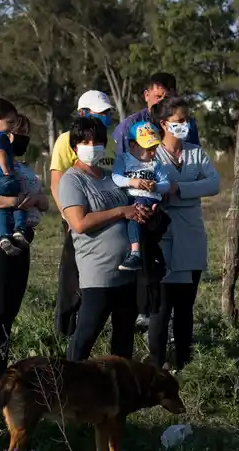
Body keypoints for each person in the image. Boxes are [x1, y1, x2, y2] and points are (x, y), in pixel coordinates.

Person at [58, 116, 150, 360]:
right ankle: (68, 385)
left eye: (97, 141)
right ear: (75, 146)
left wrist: (141, 210)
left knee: (123, 339)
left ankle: (118, 391)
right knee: (86, 334)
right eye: (85, 141)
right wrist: (121, 211)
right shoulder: (72, 180)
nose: (92, 146)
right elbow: (79, 223)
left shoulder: (112, 176)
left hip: (126, 274)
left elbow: (132, 207)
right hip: (98, 274)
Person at [146, 96, 219, 371]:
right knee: (161, 308)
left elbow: (213, 183)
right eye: (178, 121)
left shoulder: (195, 152)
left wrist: (179, 189)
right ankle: (155, 366)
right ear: (164, 124)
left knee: (185, 307)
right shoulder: (153, 154)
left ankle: (183, 364)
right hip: (162, 238)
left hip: (191, 235)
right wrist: (186, 187)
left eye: (187, 120)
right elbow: (153, 188)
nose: (184, 125)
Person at [50, 90, 117, 344]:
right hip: (77, 214)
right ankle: (66, 328)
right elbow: (57, 184)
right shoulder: (67, 140)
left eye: (107, 113)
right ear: (83, 113)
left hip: (106, 213)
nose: (105, 118)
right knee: (72, 273)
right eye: (99, 113)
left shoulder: (110, 141)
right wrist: (68, 218)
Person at [0, 115, 45, 368]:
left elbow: (45, 201)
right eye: (18, 132)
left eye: (27, 133)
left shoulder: (25, 169)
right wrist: (15, 202)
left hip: (23, 239)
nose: (23, 139)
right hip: (0, 241)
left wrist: (34, 200)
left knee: (10, 310)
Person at [111, 121, 170, 272]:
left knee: (135, 217)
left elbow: (166, 184)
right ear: (132, 145)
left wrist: (156, 186)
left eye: (155, 148)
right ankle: (155, 256)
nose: (153, 153)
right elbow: (116, 177)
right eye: (148, 148)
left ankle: (135, 254)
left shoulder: (155, 164)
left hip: (148, 198)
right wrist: (132, 181)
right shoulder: (123, 159)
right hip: (130, 196)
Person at [112, 71, 199, 148]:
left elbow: (196, 155)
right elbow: (121, 161)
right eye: (158, 97)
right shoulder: (129, 126)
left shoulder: (187, 124)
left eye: (167, 97)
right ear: (146, 95)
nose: (162, 101)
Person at [0, 99, 27, 257]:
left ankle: (3, 236)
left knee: (1, 210)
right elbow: (0, 153)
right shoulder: (1, 136)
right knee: (19, 201)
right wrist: (7, 170)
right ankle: (19, 230)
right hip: (4, 178)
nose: (11, 127)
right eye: (9, 122)